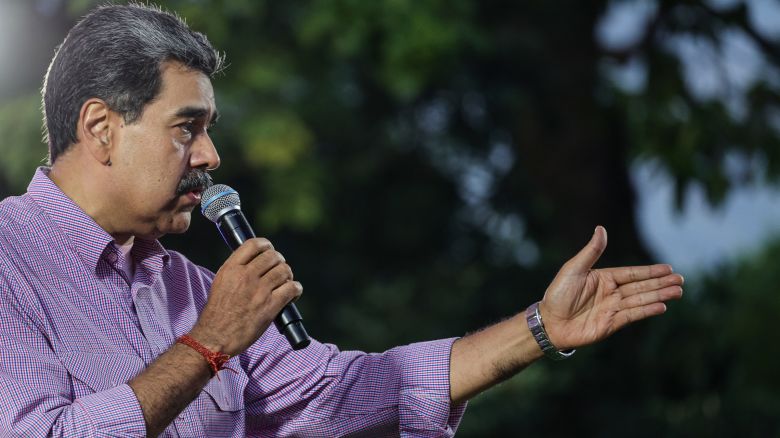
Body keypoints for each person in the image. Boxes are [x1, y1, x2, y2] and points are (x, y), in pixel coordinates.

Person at [0, 3, 684, 437]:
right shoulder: (9, 258)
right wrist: (209, 346)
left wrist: (539, 329)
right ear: (101, 128)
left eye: (208, 129)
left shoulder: (192, 288)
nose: (210, 156)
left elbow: (346, 393)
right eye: (187, 128)